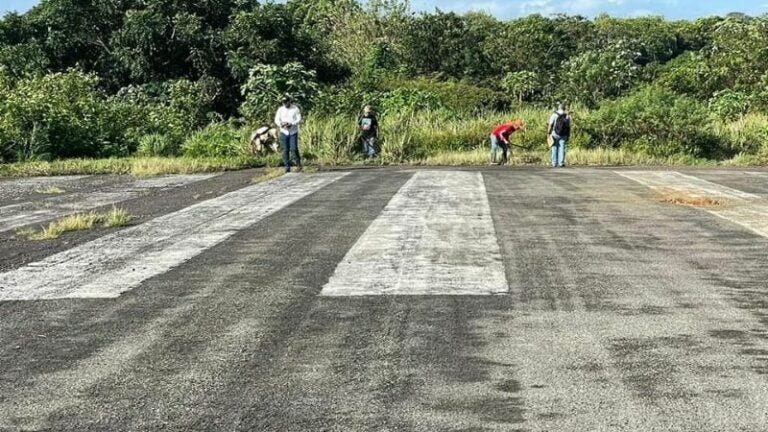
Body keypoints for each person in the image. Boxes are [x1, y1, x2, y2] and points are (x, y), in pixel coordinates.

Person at [274, 95, 302, 172]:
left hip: (293, 131)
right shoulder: (280, 110)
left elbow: (299, 119)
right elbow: (276, 119)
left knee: (294, 148)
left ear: (289, 101)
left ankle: (298, 164)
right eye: (283, 102)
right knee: (285, 149)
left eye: (286, 102)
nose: (285, 104)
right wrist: (281, 124)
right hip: (284, 131)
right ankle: (287, 166)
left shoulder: (295, 108)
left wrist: (292, 123)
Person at [547, 103, 571, 168]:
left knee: (554, 148)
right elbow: (568, 126)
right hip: (563, 134)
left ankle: (554, 163)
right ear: (564, 108)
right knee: (562, 148)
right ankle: (561, 163)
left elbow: (550, 124)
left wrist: (548, 133)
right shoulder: (567, 116)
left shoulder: (554, 115)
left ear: (558, 108)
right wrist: (568, 135)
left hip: (554, 133)